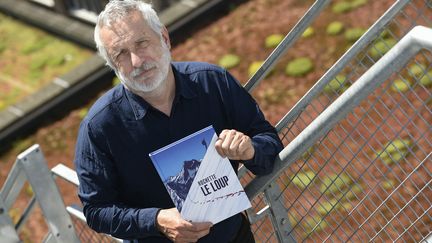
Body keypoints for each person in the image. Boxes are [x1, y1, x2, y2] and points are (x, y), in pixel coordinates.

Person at [74, 1, 283, 242]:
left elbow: (269, 142)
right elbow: (96, 211)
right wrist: (156, 220)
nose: (136, 61)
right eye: (120, 53)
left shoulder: (214, 83)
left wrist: (250, 150)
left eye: (141, 43)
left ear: (164, 37)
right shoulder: (98, 127)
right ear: (112, 64)